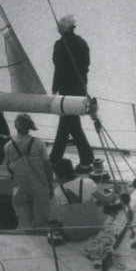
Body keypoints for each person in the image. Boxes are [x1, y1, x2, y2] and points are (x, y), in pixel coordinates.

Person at [49, 14, 95, 173]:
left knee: (71, 124)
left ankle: (86, 159)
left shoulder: (60, 45)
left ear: (62, 28)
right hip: (81, 89)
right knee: (68, 124)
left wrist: (54, 88)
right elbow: (87, 65)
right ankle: (54, 159)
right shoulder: (82, 43)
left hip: (67, 92)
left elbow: (59, 70)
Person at [3, 114, 53, 229]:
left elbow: (9, 168)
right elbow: (47, 167)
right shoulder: (39, 143)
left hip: (20, 186)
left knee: (24, 220)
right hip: (39, 185)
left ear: (16, 126)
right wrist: (50, 187)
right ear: (30, 126)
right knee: (42, 222)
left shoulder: (8, 146)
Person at [50, 158, 105, 240]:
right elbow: (106, 200)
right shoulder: (88, 182)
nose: (55, 178)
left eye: (56, 175)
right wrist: (115, 193)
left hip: (73, 234)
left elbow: (64, 213)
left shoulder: (57, 192)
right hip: (95, 228)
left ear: (61, 176)